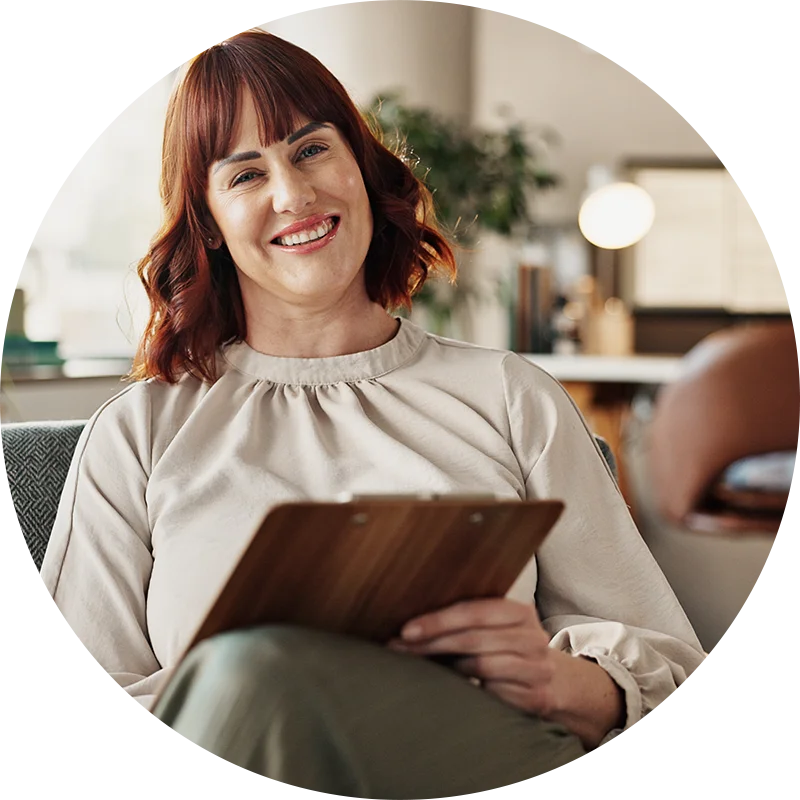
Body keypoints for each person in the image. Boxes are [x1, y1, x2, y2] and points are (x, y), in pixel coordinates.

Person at [41, 28, 707, 798]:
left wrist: (563, 683)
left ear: (361, 166)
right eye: (247, 173)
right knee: (251, 670)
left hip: (482, 764)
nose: (293, 194)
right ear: (210, 225)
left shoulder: (509, 398)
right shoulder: (141, 434)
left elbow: (681, 676)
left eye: (313, 150)